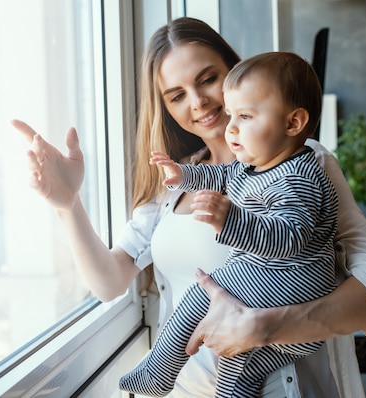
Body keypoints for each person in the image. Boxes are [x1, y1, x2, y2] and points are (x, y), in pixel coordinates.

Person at [12, 16, 366, 398]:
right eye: (177, 95)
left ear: (235, 72)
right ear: (165, 107)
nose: (200, 101)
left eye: (208, 78)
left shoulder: (304, 164)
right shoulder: (174, 183)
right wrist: (68, 204)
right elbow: (109, 282)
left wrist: (266, 327)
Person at [119, 51, 339, 398]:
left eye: (246, 116)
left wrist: (232, 220)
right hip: (282, 298)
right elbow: (218, 174)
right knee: (241, 369)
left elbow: (291, 237)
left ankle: (160, 368)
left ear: (293, 123)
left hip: (294, 282)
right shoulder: (255, 165)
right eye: (232, 114)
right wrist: (181, 176)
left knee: (201, 295)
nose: (232, 126)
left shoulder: (298, 174)